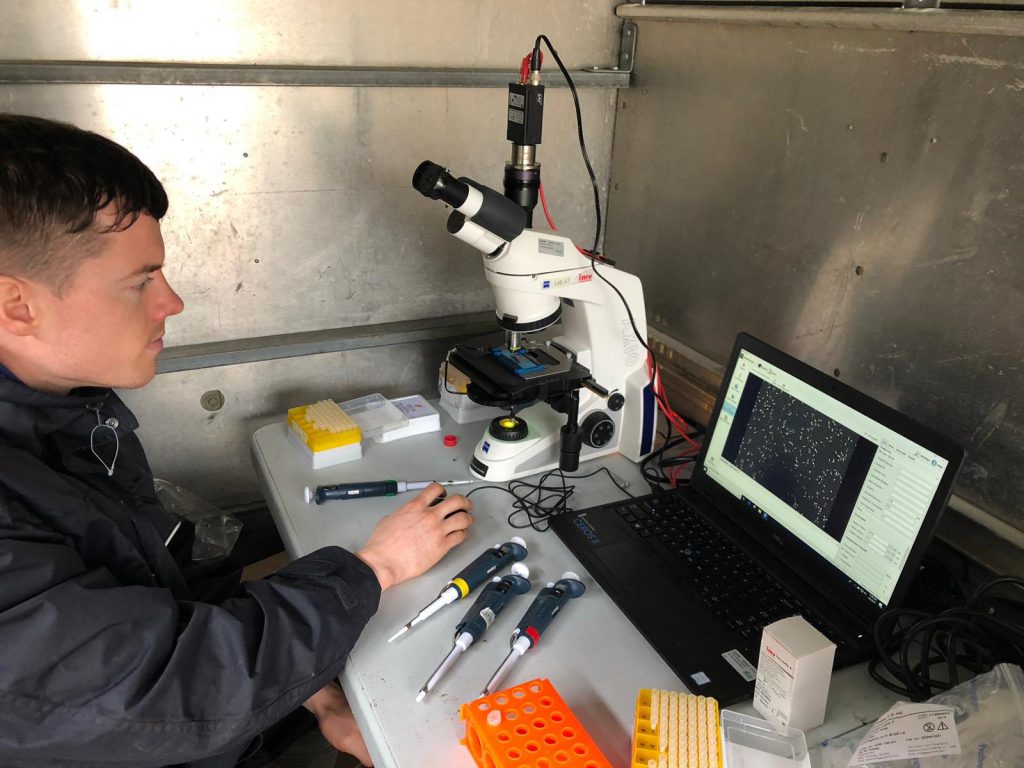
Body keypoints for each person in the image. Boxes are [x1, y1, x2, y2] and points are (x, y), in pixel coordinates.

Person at [0, 113, 475, 768]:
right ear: (16, 305)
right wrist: (377, 567)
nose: (172, 302)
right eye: (141, 281)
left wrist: (318, 699)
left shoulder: (65, 413)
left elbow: (152, 603)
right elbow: (164, 688)